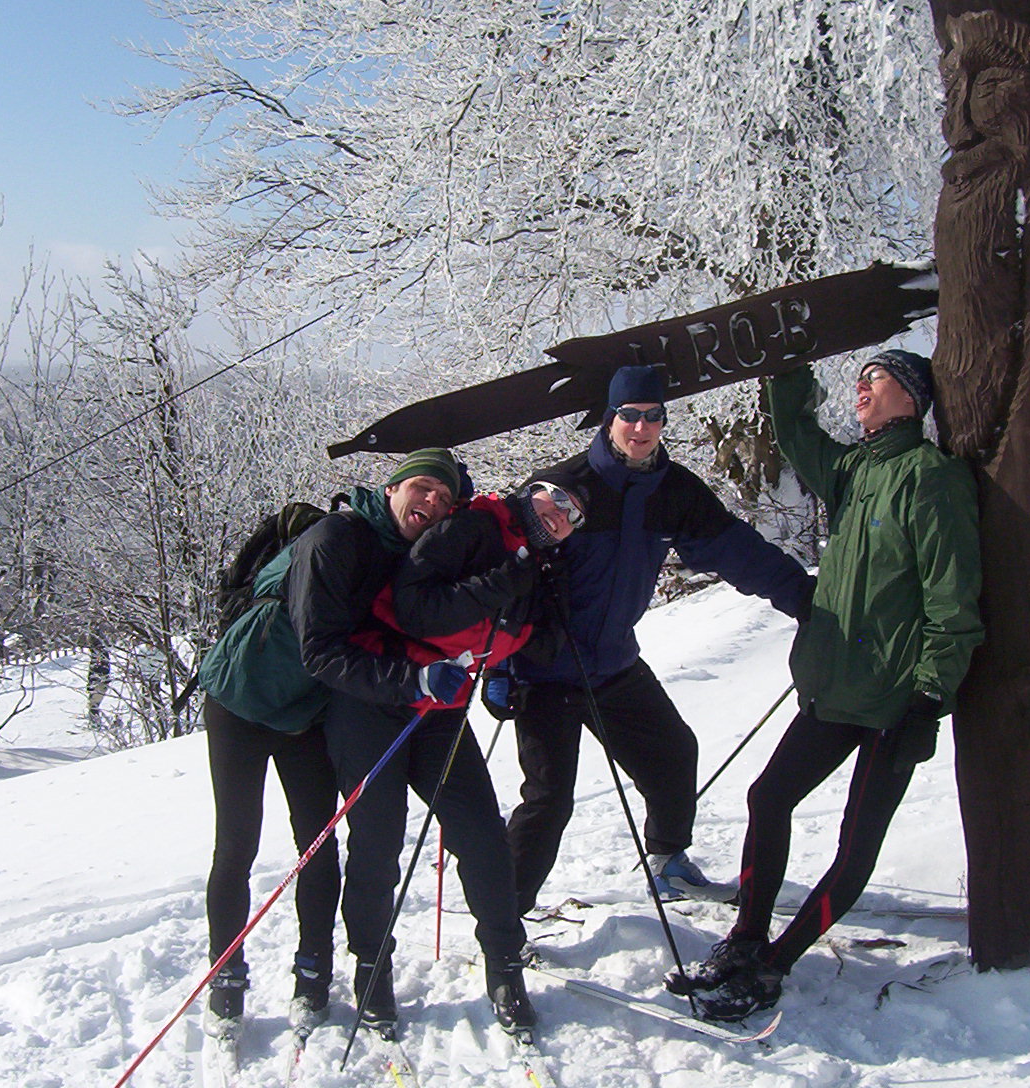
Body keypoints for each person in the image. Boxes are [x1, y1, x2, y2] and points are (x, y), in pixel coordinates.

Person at [672, 350, 984, 1022]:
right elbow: (798, 435)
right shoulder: (854, 471)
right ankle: (746, 940)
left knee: (855, 845)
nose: (862, 387)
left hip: (893, 703)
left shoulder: (929, 478)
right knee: (768, 798)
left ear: (912, 398)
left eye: (877, 379)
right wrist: (787, 364)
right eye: (861, 378)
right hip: (832, 689)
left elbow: (952, 602)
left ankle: (776, 965)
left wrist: (929, 699)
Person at [505, 364, 814, 913]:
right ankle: (504, 917)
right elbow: (505, 575)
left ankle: (669, 863)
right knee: (549, 801)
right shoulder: (565, 485)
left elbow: (737, 550)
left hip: (614, 665)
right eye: (629, 415)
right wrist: (499, 666)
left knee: (674, 756)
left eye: (653, 416)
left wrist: (804, 598)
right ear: (609, 419)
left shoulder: (675, 492)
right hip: (546, 671)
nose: (641, 427)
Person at [294, 457, 581, 1036]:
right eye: (549, 499)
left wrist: (509, 663)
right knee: (377, 842)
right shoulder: (474, 529)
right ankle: (371, 970)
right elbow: (415, 609)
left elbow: (510, 631)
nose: (556, 514)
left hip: (441, 713)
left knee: (481, 835)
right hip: (373, 702)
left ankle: (505, 969)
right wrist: (506, 582)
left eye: (570, 514)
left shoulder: (529, 556)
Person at [193, 447, 460, 1043]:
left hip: (306, 711)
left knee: (316, 842)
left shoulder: (406, 554)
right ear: (392, 487)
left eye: (445, 499)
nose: (432, 503)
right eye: (422, 487)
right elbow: (320, 647)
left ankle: (313, 973)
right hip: (241, 699)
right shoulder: (335, 537)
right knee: (236, 844)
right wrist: (412, 681)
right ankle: (226, 976)